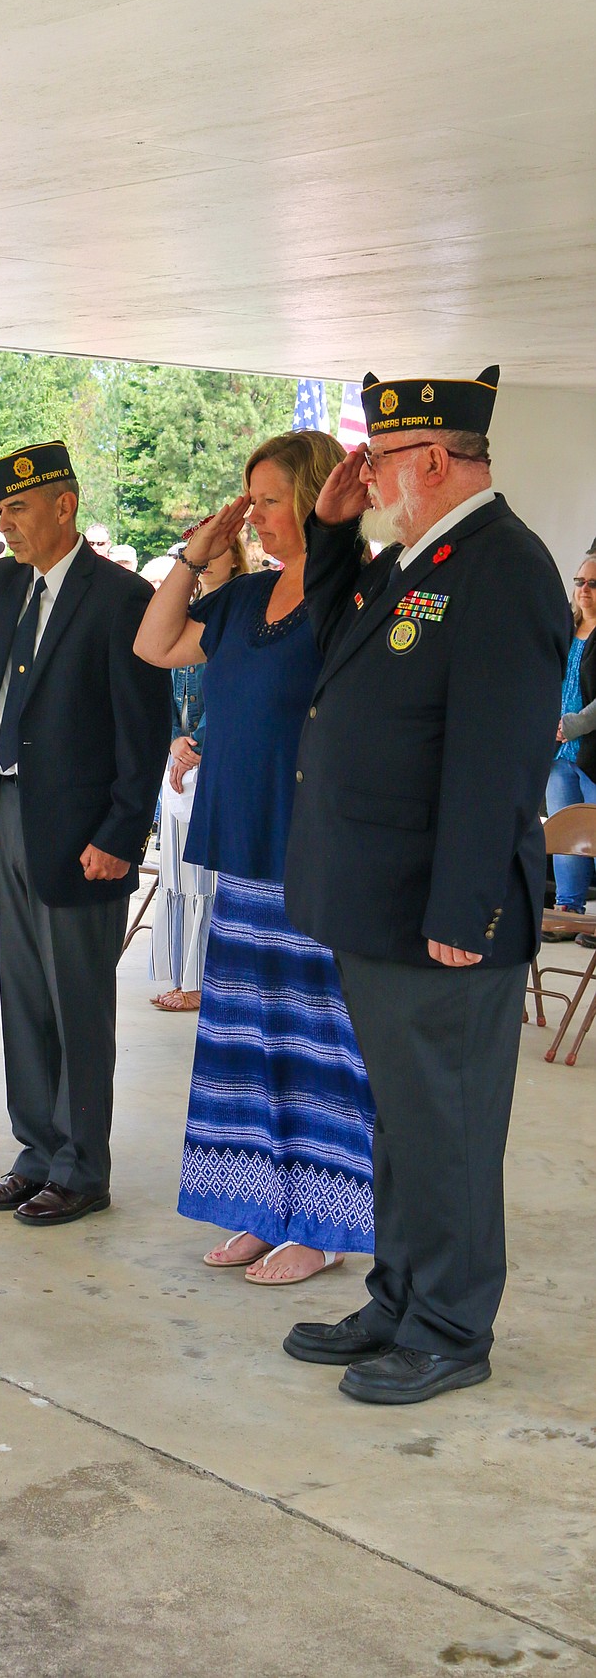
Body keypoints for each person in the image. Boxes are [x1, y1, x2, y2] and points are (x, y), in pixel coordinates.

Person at [281, 367, 571, 1405]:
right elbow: (333, 645)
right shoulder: (417, 558)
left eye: (382, 461)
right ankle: (400, 1297)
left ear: (436, 461)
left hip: (442, 916)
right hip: (382, 902)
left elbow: (497, 761)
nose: (370, 476)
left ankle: (451, 1327)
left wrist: (464, 910)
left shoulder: (506, 568)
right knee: (404, 1120)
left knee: (446, 1127)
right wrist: (327, 531)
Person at [0, 441, 169, 1225]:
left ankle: (83, 1166)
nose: (7, 525)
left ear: (65, 505)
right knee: (24, 992)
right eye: (1, 510)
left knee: (79, 999)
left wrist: (122, 832)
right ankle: (38, 1152)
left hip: (86, 829)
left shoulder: (120, 596)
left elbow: (146, 729)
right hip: (10, 812)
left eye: (19, 509)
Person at [135, 432, 375, 1285]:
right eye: (252, 500)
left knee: (317, 1043)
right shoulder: (242, 601)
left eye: (270, 499)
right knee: (243, 1038)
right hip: (239, 848)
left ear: (316, 496)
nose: (257, 515)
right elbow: (155, 645)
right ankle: (249, 1206)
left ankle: (324, 1223)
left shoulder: (356, 594)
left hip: (312, 852)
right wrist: (194, 555)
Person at [149, 535, 248, 1012]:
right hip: (178, 762)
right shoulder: (181, 617)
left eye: (217, 551)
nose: (206, 561)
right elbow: (159, 681)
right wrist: (174, 740)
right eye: (197, 554)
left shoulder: (246, 612)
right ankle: (179, 974)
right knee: (178, 875)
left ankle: (202, 980)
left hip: (220, 761)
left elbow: (237, 687)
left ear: (236, 556)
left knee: (208, 878)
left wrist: (199, 746)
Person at [543, 551, 596, 930]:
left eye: (593, 583)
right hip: (558, 753)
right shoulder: (562, 627)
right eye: (579, 581)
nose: (584, 590)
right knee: (566, 836)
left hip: (590, 751)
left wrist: (571, 725)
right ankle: (567, 911)